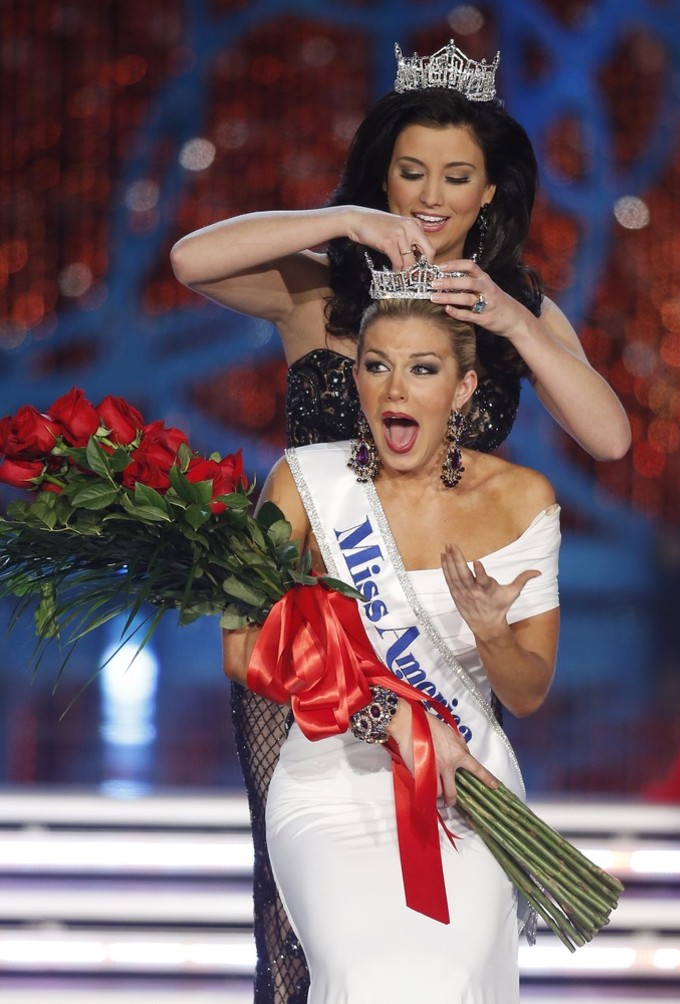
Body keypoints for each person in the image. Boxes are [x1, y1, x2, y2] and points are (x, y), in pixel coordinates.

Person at [171, 41, 627, 1000]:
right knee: (293, 933)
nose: (431, 194)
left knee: (447, 915)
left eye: (456, 177)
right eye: (409, 171)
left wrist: (510, 321)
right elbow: (189, 259)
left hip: (446, 647)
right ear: (383, 173)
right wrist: (347, 221)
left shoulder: (515, 310)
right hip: (308, 653)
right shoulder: (323, 290)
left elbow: (609, 436)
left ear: (492, 192)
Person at [222, 293, 561, 1002]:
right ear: (357, 382)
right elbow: (242, 649)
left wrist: (494, 634)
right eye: (377, 366)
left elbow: (527, 693)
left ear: (463, 388)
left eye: (423, 368)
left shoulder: (522, 498)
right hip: (329, 778)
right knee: (362, 973)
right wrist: (391, 717)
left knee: (452, 973)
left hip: (461, 779)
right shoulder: (303, 483)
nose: (396, 388)